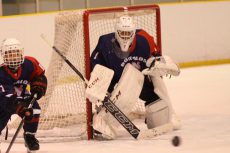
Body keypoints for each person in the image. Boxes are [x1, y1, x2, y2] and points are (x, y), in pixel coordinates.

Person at [86, 15, 181, 139]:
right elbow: (96, 67)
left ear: (133, 32)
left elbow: (157, 59)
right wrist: (97, 87)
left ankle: (168, 111)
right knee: (105, 112)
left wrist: (163, 65)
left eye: (128, 33)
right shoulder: (105, 43)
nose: (125, 36)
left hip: (140, 81)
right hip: (114, 80)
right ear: (116, 32)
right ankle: (104, 119)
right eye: (122, 33)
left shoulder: (145, 40)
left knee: (160, 116)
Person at [0, 38, 47, 151]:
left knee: (34, 109)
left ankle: (29, 136)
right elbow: (5, 98)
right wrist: (19, 107)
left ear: (21, 53)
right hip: (4, 102)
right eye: (10, 54)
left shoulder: (30, 63)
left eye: (16, 53)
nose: (14, 57)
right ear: (4, 56)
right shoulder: (1, 73)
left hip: (24, 98)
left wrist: (38, 85)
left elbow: (39, 75)